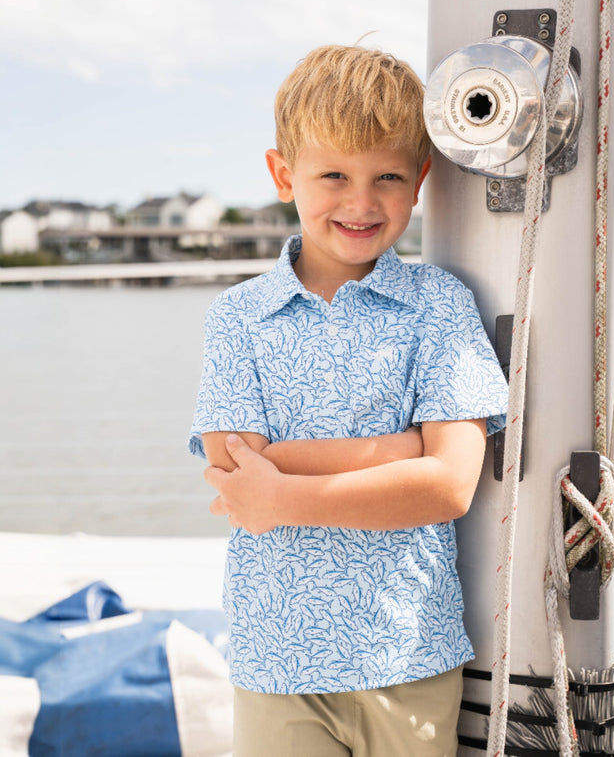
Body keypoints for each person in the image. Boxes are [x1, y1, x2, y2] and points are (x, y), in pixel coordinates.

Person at [189, 44, 509, 757]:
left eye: (387, 176)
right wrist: (403, 450)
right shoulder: (239, 317)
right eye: (333, 174)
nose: (361, 202)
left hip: (409, 651)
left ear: (421, 179)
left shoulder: (439, 306)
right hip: (276, 659)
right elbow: (236, 468)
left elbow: (450, 483)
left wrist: (284, 496)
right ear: (282, 174)